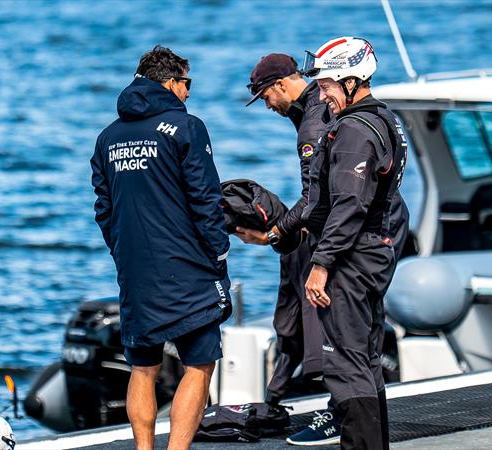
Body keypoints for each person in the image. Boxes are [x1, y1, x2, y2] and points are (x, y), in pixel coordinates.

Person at [91, 45, 230, 450]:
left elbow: (104, 208)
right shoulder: (186, 128)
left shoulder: (108, 138)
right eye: (187, 84)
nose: (188, 93)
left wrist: (122, 252)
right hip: (187, 267)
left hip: (135, 271)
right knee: (200, 364)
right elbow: (206, 199)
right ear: (169, 82)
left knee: (143, 367)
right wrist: (218, 252)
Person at [300, 36, 409, 450]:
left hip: (353, 256)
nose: (322, 95)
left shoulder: (352, 130)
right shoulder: (386, 118)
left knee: (345, 363)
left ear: (351, 82)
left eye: (327, 86)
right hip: (376, 250)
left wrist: (322, 263)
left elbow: (349, 203)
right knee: (364, 358)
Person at [238, 53, 332, 439]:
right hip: (347, 226)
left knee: (342, 329)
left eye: (264, 97)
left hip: (349, 235)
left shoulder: (312, 121)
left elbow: (313, 200)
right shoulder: (308, 110)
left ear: (280, 86)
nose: (266, 105)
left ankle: (338, 413)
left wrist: (274, 234)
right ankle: (283, 390)